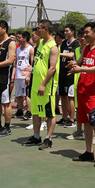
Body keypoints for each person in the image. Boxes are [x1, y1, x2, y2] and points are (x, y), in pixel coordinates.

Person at [67, 22, 95, 167]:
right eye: (84, 33)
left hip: (93, 93)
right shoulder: (86, 48)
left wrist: (82, 69)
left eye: (87, 32)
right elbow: (79, 63)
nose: (84, 35)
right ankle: (89, 152)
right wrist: (73, 65)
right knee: (86, 123)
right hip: (82, 90)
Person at [22, 21, 60, 150]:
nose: (37, 31)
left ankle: (48, 139)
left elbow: (52, 68)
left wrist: (43, 84)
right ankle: (36, 136)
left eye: (39, 28)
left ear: (45, 29)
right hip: (35, 84)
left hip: (46, 86)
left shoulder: (53, 47)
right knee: (36, 112)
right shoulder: (42, 43)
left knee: (49, 114)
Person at [57, 24, 79, 127]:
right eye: (64, 31)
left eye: (67, 31)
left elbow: (71, 55)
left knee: (70, 97)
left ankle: (72, 119)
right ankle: (64, 117)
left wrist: (58, 53)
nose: (65, 33)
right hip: (62, 73)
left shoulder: (76, 43)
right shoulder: (63, 43)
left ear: (72, 32)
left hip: (70, 74)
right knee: (63, 96)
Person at [13, 31, 34, 120]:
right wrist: (13, 74)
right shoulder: (18, 49)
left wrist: (28, 75)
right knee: (19, 94)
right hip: (18, 75)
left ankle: (29, 111)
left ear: (25, 38)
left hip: (25, 75)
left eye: (20, 37)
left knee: (27, 94)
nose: (18, 39)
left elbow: (32, 64)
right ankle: (20, 110)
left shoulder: (30, 49)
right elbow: (16, 63)